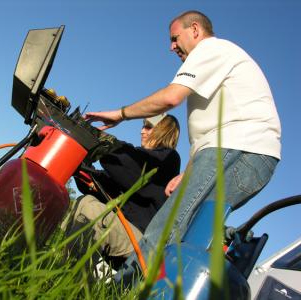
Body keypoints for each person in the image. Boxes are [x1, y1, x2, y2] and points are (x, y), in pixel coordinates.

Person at [84, 10, 281, 283]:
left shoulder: (210, 49)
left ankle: (122, 289)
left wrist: (120, 113)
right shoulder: (219, 60)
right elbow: (210, 132)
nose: (171, 46)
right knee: (190, 235)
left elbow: (171, 97)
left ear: (195, 30)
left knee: (168, 225)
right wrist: (187, 174)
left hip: (239, 147)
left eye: (175, 38)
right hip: (250, 153)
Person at [63, 114, 181, 264]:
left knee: (90, 208)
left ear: (164, 131)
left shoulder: (169, 159)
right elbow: (104, 184)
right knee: (80, 203)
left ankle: (74, 279)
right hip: (125, 232)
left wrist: (96, 139)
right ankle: (66, 269)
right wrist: (79, 164)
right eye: (143, 126)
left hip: (144, 242)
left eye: (148, 127)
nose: (142, 131)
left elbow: (131, 166)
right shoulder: (138, 160)